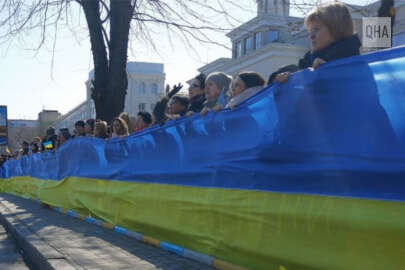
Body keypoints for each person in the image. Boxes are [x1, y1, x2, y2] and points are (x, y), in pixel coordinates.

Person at [274, 2, 361, 83]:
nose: (311, 36)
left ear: (337, 30)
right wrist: (286, 82)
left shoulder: (355, 67)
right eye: (310, 31)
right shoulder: (307, 63)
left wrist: (326, 74)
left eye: (316, 29)